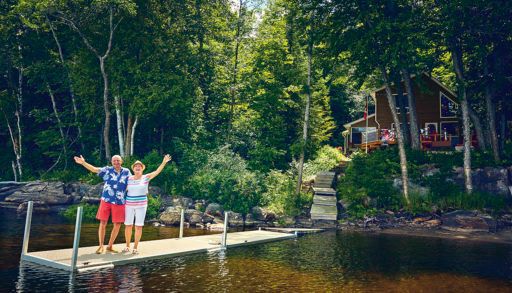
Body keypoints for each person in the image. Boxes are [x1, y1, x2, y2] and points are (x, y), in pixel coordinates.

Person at [74, 154, 131, 254]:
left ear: (121, 161)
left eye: (118, 160)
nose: (116, 162)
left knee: (117, 224)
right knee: (103, 222)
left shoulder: (126, 172)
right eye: (114, 161)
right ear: (111, 162)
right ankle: (101, 246)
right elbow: (94, 169)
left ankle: (110, 246)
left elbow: (132, 182)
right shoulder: (107, 170)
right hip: (106, 199)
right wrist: (83, 163)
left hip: (119, 201)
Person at [123, 154, 172, 254]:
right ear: (133, 169)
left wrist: (163, 162)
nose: (137, 167)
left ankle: (135, 247)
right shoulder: (128, 179)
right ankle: (127, 246)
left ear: (142, 169)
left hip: (141, 205)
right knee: (128, 225)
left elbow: (157, 171)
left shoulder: (146, 177)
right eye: (136, 166)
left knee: (138, 226)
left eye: (139, 166)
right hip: (129, 205)